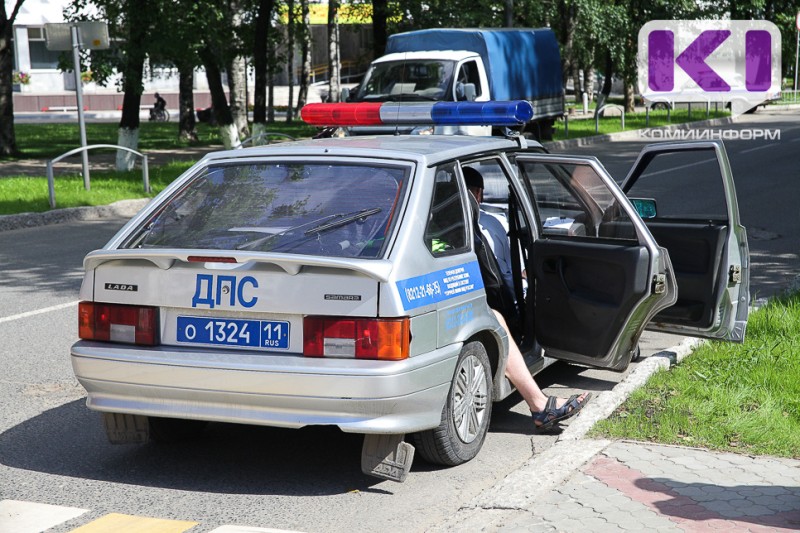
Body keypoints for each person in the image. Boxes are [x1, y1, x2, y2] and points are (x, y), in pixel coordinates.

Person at [462, 165, 592, 432]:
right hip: (486, 305)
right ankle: (541, 406)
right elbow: (508, 277)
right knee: (499, 317)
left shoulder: (431, 225)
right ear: (479, 194)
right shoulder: (491, 224)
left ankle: (541, 405)